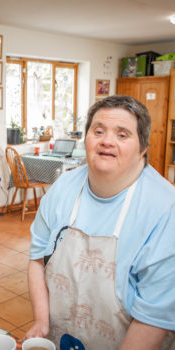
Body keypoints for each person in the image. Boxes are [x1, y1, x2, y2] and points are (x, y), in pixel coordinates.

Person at [26, 95, 175, 349]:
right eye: (98, 131)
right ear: (86, 139)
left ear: (143, 148)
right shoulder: (63, 188)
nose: (107, 141)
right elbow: (37, 258)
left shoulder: (165, 210)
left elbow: (154, 316)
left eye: (122, 134)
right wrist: (42, 321)